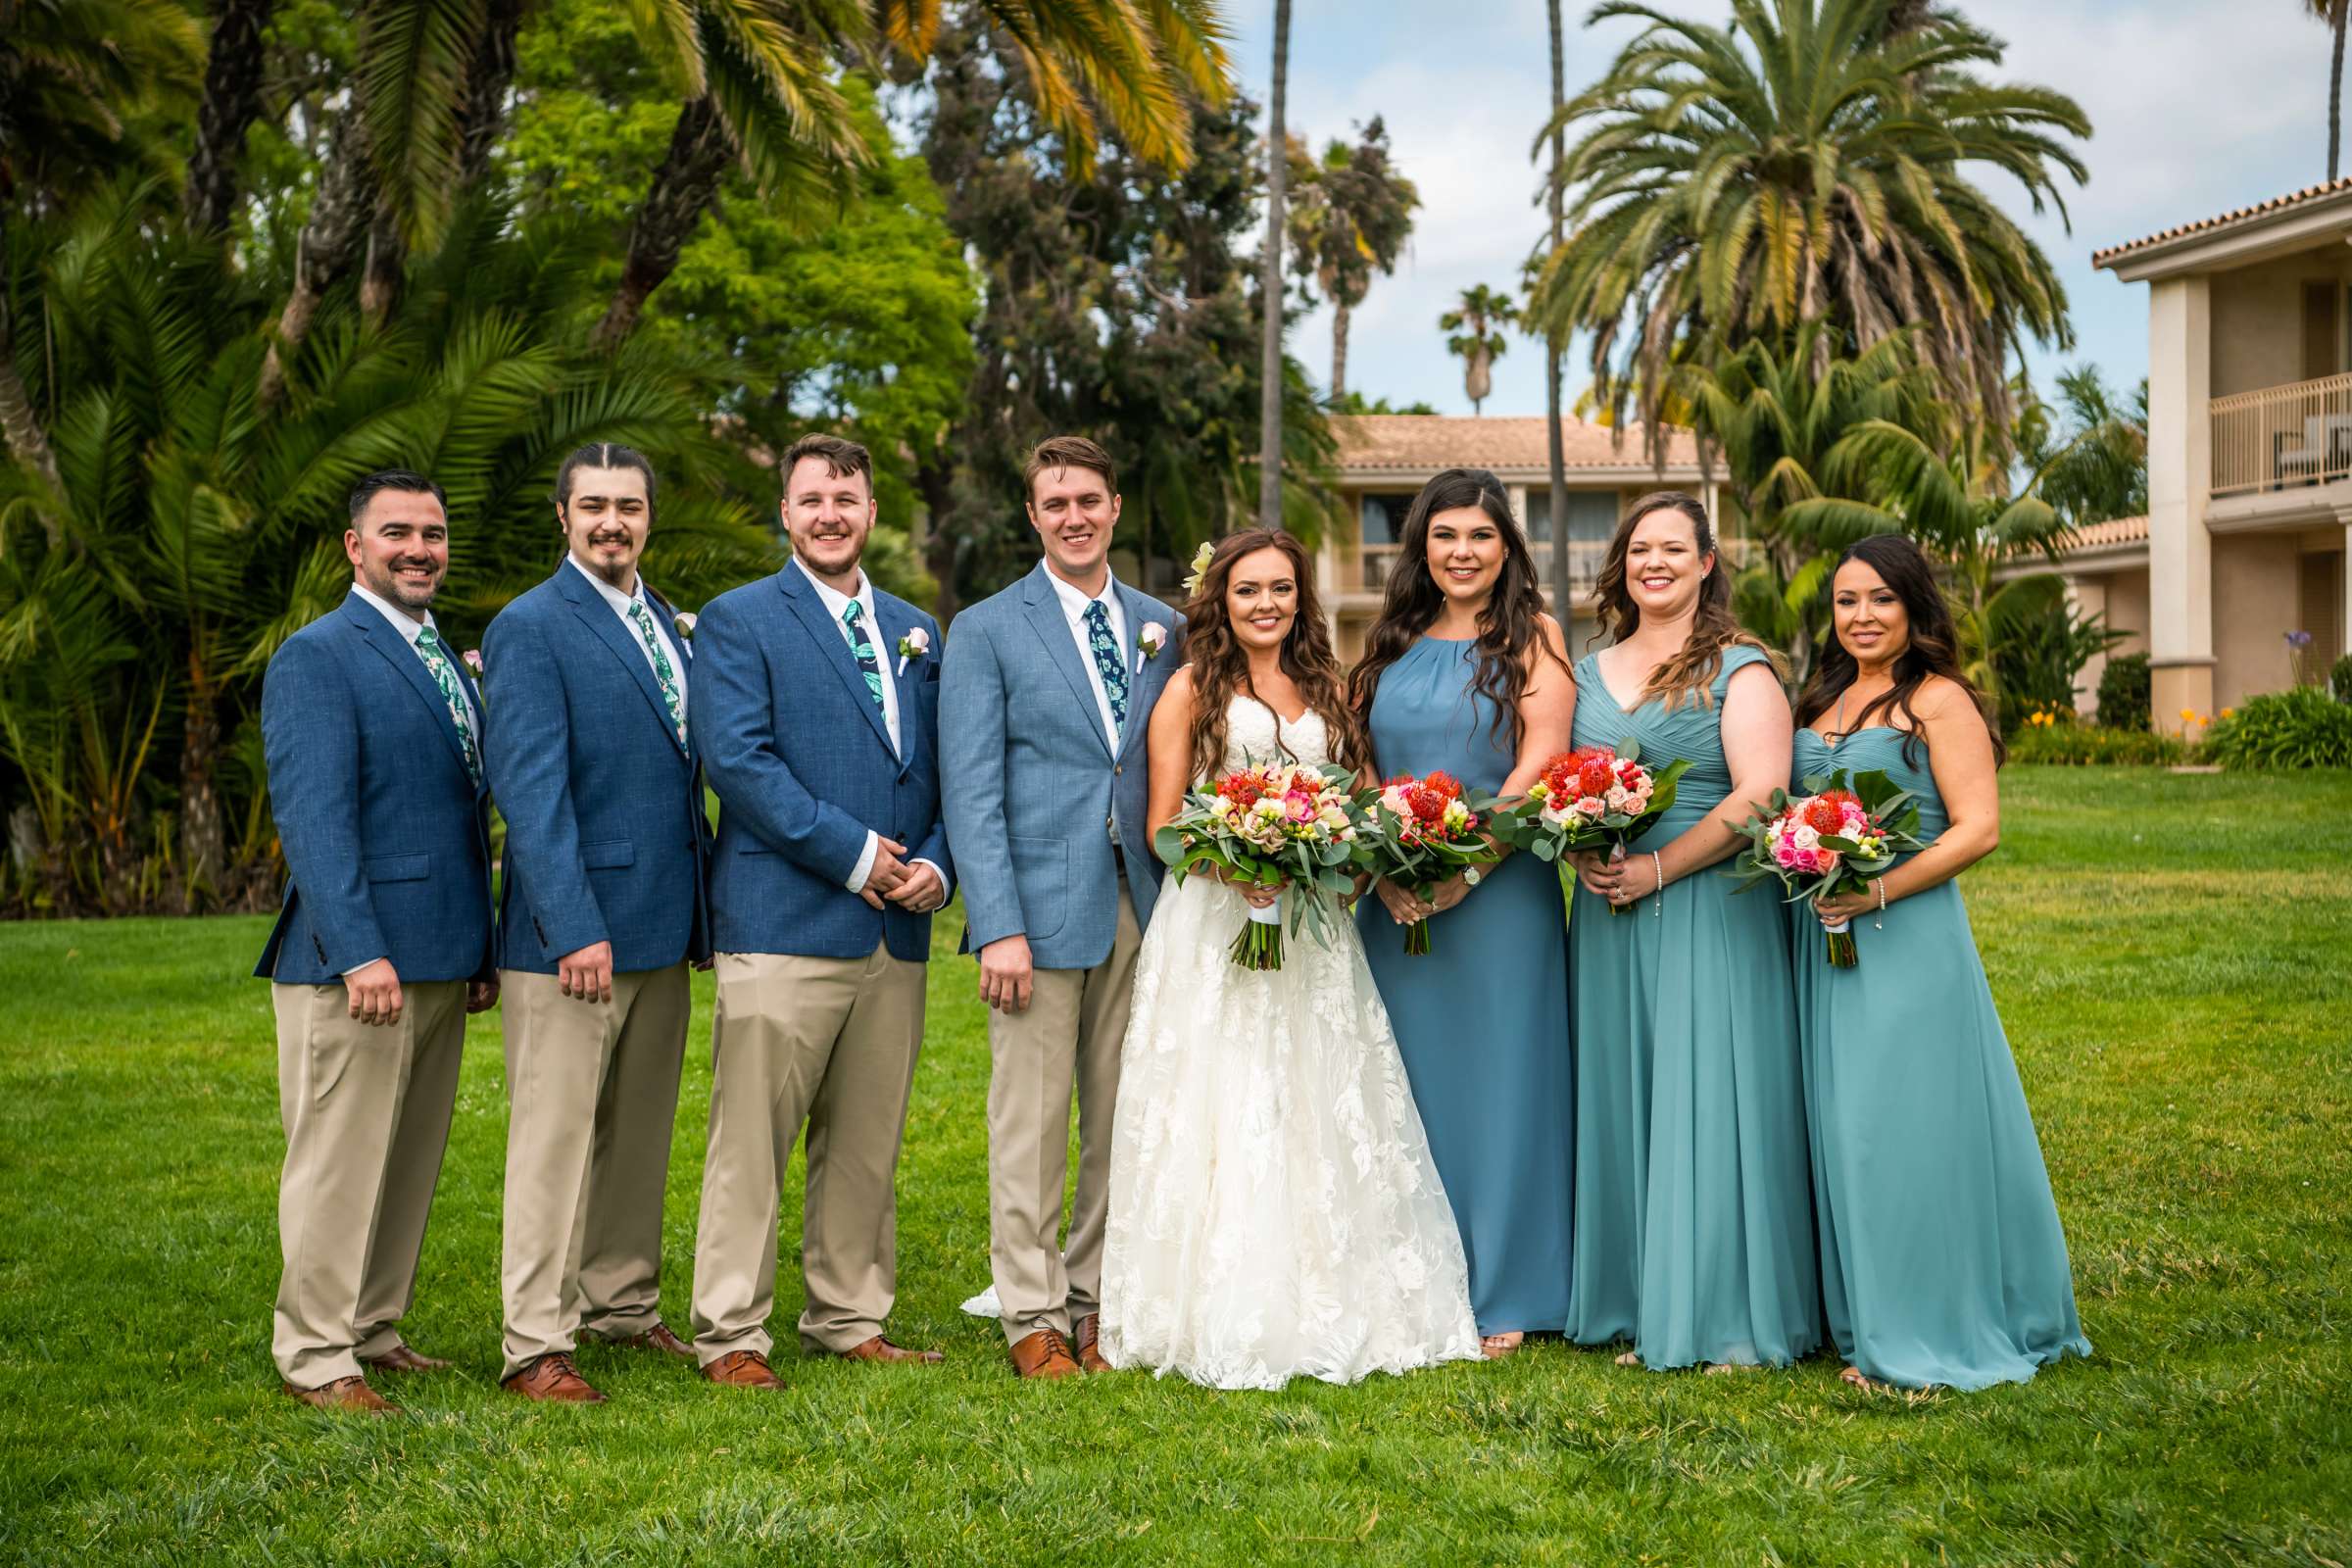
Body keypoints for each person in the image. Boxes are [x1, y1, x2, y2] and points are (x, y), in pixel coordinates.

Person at [1100, 530, 1480, 1389]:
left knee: (1315, 1091)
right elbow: (1163, 825)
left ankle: (1333, 1289)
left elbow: (1358, 799)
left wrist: (1318, 855)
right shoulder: (1191, 690)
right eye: (1247, 592)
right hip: (1214, 925)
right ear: (1220, 603)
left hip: (1312, 925)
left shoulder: (1330, 690)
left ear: (1302, 598)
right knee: (1222, 1095)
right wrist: (1241, 862)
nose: (1266, 604)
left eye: (1281, 589)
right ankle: (1211, 1299)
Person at [1790, 533, 2091, 1391]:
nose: (1861, 616)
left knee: (1902, 1131)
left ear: (1914, 605)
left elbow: (1978, 830)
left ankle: (1924, 1327)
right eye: (1847, 601)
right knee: (1846, 1130)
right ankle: (1863, 1317)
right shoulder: (1824, 697)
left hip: (1907, 940)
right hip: (1826, 939)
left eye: (1880, 599)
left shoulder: (1939, 699)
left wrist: (1877, 892)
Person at [687, 433, 953, 1389]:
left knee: (866, 1140)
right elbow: (741, 765)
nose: (830, 514)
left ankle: (847, 1314)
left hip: (898, 927)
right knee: (750, 1141)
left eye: (847, 497)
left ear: (872, 511)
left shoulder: (922, 629)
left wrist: (935, 866)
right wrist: (855, 856)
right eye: (811, 500)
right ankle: (729, 1334)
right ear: (785, 514)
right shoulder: (738, 620)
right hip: (784, 921)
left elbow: (943, 771)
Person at [939, 435, 1185, 1379]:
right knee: (1032, 1121)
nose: (1074, 516)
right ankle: (1032, 1313)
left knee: (1126, 1115)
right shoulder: (988, 628)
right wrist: (997, 923)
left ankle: (1097, 1299)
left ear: (1115, 507)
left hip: (1149, 902)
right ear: (1033, 518)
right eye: (1055, 504)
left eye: (1089, 498)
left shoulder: (1165, 623)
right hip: (1035, 914)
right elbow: (972, 789)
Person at [255, 468, 498, 1413]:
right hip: (356, 963)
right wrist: (360, 950)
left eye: (433, 533)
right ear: (355, 547)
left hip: (440, 953)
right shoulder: (320, 656)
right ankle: (317, 1355)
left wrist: (475, 953)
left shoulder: (440, 654)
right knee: (339, 1161)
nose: (419, 549)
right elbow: (314, 822)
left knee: (406, 1159)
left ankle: (374, 1328)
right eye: (397, 532)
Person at [1566, 490, 1821, 1371]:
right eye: (1641, 549)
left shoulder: (1741, 667)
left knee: (1712, 1095)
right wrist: (1579, 854)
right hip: (1606, 916)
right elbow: (1566, 783)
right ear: (1622, 563)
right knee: (1628, 1092)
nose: (1656, 564)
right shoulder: (1588, 667)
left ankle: (1725, 1312)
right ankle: (1639, 1298)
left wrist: (1661, 868)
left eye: (1675, 548)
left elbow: (1761, 792)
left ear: (1708, 562)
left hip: (1709, 904)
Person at [480, 444, 710, 1404]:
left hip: (661, 925)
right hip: (571, 937)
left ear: (650, 516)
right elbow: (529, 793)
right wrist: (572, 924)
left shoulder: (666, 621)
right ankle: (536, 1338)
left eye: (628, 506)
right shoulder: (532, 627)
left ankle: (619, 1300)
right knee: (555, 1136)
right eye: (593, 507)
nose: (611, 522)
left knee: (640, 1128)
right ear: (563, 516)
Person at [1346, 467, 1576, 1359]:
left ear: (1505, 547)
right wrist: (1386, 859)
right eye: (1445, 536)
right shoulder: (1393, 638)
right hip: (1395, 896)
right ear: (1423, 549)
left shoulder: (1535, 638)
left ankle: (1508, 1288)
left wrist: (1465, 870)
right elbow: (1358, 759)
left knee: (1503, 1085)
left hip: (1500, 894)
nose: (1462, 552)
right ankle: (1408, 1277)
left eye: (1480, 536)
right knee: (1406, 1084)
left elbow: (1541, 763)